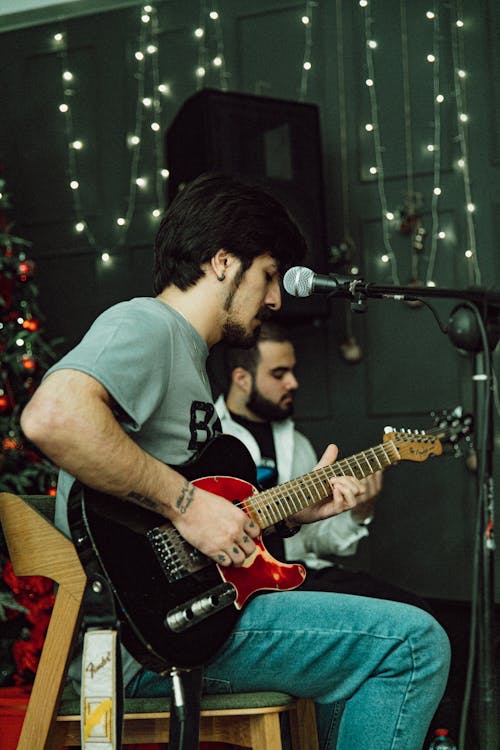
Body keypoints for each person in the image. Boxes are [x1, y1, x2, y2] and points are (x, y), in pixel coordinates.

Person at [20, 172, 450, 750]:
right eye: (268, 275)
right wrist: (190, 504)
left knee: (358, 664)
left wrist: (295, 512)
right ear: (223, 261)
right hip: (139, 644)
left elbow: (201, 519)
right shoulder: (145, 325)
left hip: (192, 617)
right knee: (414, 645)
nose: (275, 299)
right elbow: (53, 417)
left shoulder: (190, 360)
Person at [215, 321, 433, 609]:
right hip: (236, 587)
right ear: (242, 378)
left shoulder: (298, 444)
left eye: (292, 371)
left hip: (300, 574)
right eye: (279, 374)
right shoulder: (212, 440)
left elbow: (317, 541)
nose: (293, 383)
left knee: (414, 610)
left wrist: (360, 511)